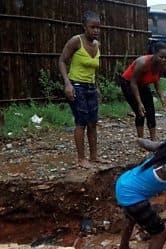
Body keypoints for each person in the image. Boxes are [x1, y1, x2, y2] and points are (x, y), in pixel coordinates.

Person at [59, 10, 105, 168]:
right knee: (81, 122)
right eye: (93, 27)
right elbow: (62, 61)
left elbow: (94, 70)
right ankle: (81, 158)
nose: (96, 30)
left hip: (91, 87)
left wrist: (97, 87)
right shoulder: (75, 41)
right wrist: (67, 84)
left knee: (93, 122)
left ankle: (94, 156)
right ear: (85, 27)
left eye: (98, 27)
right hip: (76, 86)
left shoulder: (97, 44)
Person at [120, 42, 166, 141]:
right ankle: (140, 139)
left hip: (142, 84)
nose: (164, 60)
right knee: (140, 112)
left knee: (150, 110)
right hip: (129, 83)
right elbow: (133, 83)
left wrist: (162, 96)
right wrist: (139, 102)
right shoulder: (143, 63)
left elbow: (156, 80)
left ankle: (153, 139)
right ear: (154, 54)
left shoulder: (162, 65)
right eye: (161, 57)